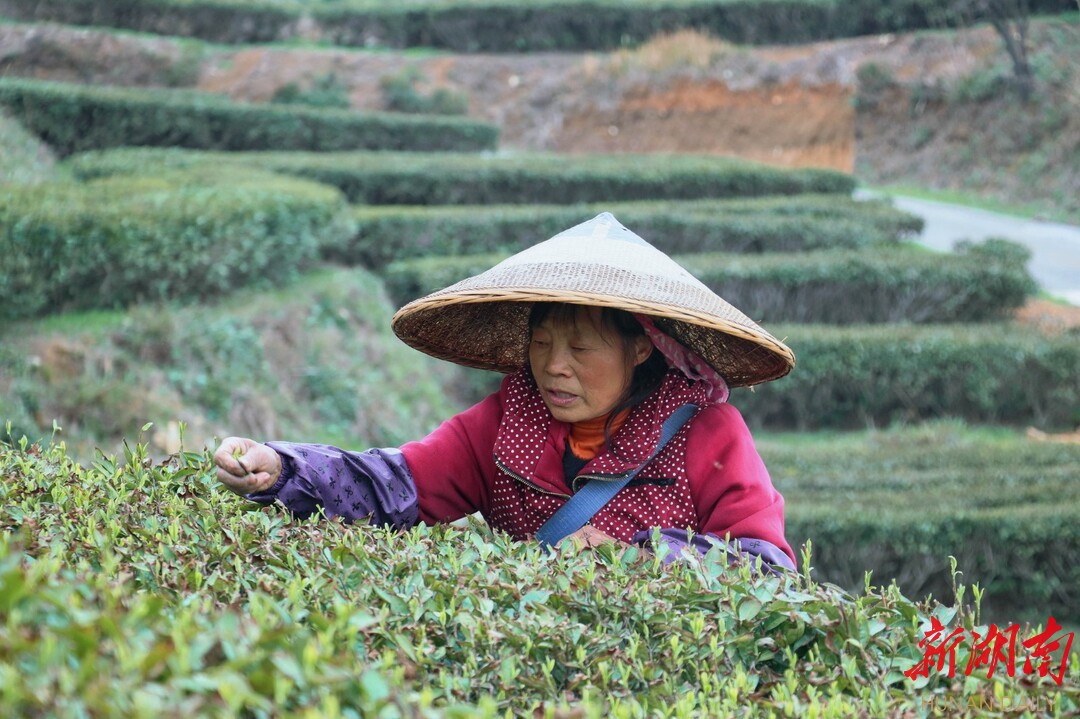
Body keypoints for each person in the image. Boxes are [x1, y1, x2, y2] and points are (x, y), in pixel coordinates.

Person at [214, 212, 797, 570]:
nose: (554, 368)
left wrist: (639, 559)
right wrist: (283, 469)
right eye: (541, 344)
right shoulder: (506, 421)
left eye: (580, 349)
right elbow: (395, 486)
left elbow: (767, 565)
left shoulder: (706, 432)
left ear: (640, 349)